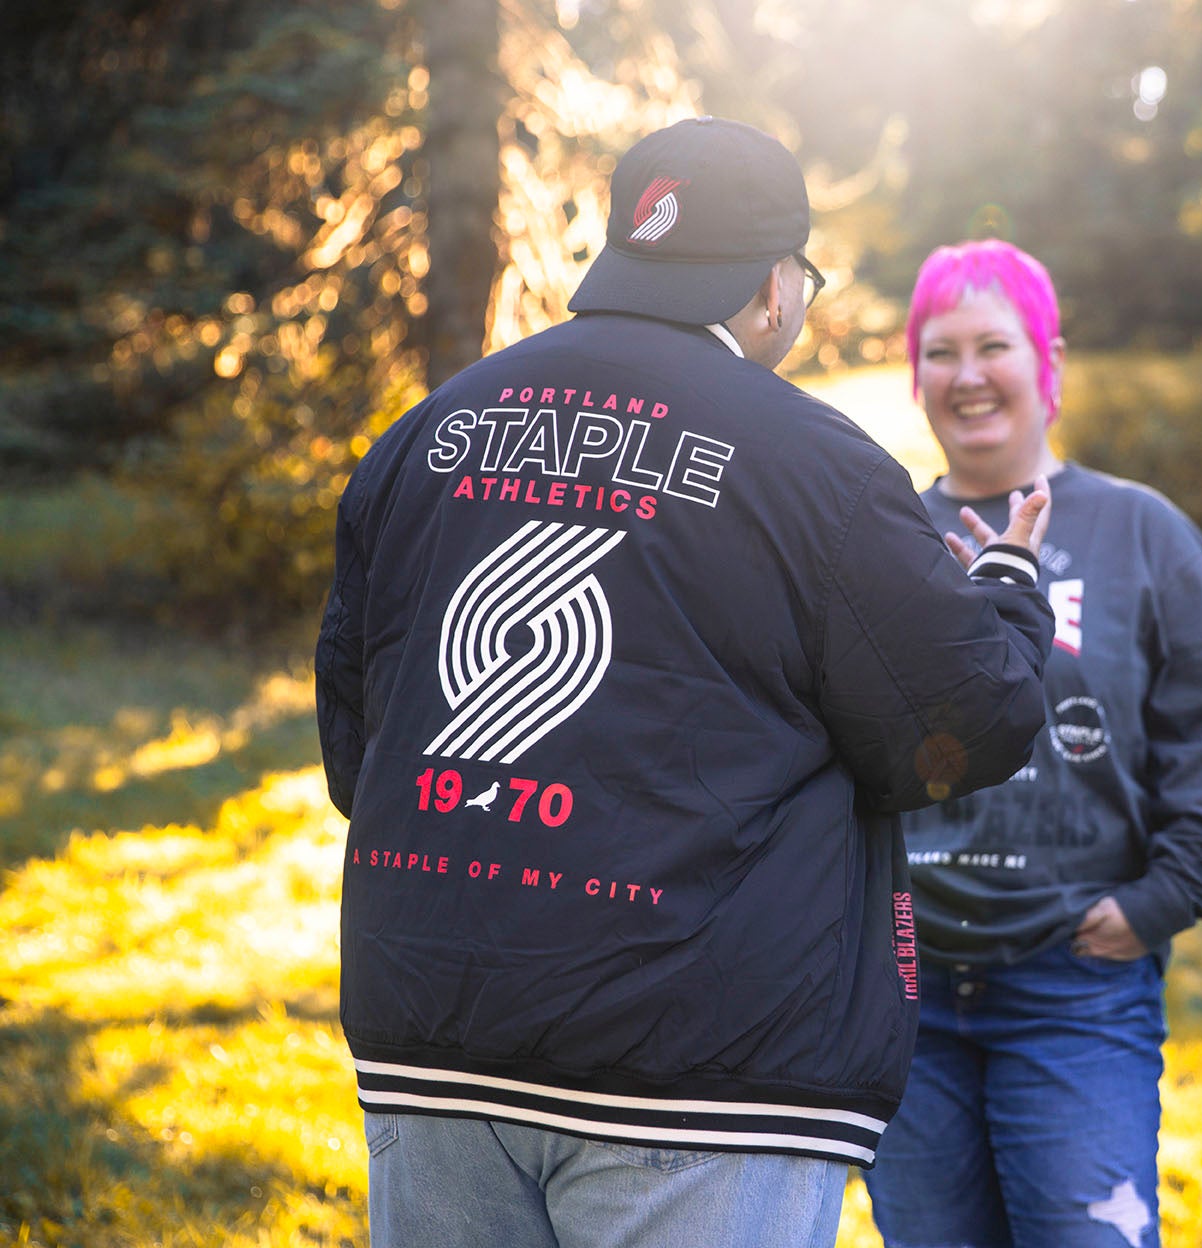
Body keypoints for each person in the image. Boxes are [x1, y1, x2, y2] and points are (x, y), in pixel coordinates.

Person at [314, 120, 1058, 1248]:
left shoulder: (428, 433)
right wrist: (1004, 584)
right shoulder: (817, 465)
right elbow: (964, 724)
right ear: (773, 287)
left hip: (430, 1035)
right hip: (703, 1067)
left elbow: (358, 747)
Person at [861, 239, 1202, 1248]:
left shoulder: (1143, 534)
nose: (967, 374)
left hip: (1076, 985)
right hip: (906, 999)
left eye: (994, 344)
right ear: (916, 378)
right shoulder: (881, 542)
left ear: (1051, 366)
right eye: (939, 351)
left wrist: (1160, 901)